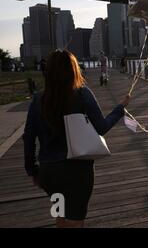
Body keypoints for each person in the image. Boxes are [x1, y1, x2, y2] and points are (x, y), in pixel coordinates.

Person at [23, 50, 131, 228]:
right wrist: (119, 109)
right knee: (75, 219)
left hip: (49, 172)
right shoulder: (82, 94)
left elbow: (28, 138)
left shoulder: (38, 100)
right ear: (73, 70)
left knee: (60, 213)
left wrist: (32, 171)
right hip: (77, 171)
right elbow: (101, 128)